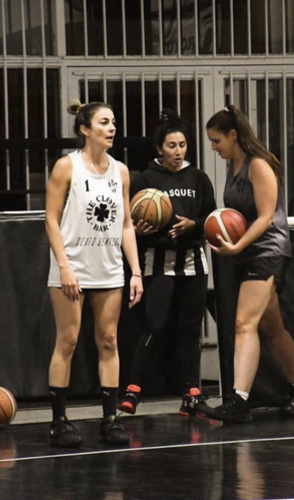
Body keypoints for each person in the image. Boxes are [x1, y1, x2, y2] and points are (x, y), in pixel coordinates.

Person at [203, 104, 294, 423]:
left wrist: (237, 244)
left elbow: (267, 217)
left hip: (269, 250)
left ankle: (239, 400)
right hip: (248, 251)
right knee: (272, 326)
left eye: (216, 140)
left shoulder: (259, 165)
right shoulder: (233, 166)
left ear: (233, 135)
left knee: (243, 323)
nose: (213, 147)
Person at [45, 102, 143, 447]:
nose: (112, 127)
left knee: (109, 340)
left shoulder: (121, 171)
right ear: (85, 129)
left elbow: (127, 224)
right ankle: (59, 421)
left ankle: (110, 419)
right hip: (72, 268)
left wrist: (136, 272)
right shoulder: (65, 167)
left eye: (114, 122)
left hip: (109, 268)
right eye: (104, 122)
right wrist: (64, 266)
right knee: (68, 341)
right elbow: (51, 220)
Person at [117, 110, 217, 416]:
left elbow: (211, 217)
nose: (178, 151)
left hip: (193, 262)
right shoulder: (145, 179)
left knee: (190, 329)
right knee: (155, 325)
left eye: (183, 144)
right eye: (172, 145)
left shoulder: (198, 177)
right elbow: (128, 225)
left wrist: (194, 225)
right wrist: (139, 230)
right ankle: (133, 391)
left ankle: (192, 393)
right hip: (157, 263)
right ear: (159, 148)